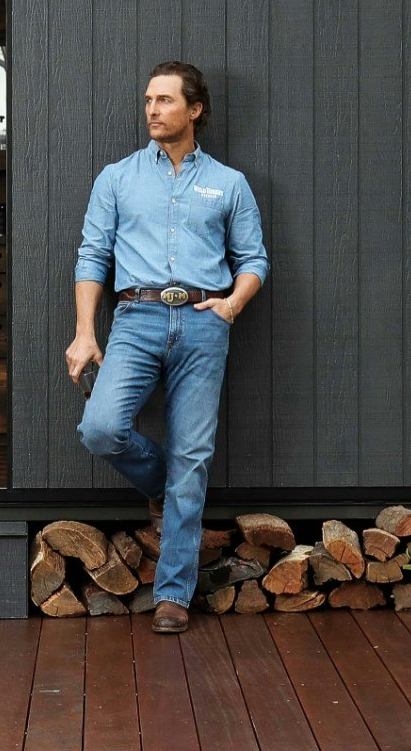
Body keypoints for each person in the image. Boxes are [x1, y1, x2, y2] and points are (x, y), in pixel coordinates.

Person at [66, 61, 268, 634]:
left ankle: (173, 593)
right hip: (136, 319)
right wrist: (86, 331)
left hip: (205, 324)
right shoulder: (118, 177)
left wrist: (230, 305)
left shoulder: (229, 183)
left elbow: (254, 260)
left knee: (194, 457)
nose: (152, 110)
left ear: (195, 109)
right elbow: (92, 256)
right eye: (148, 100)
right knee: (101, 428)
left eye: (165, 100)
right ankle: (160, 484)